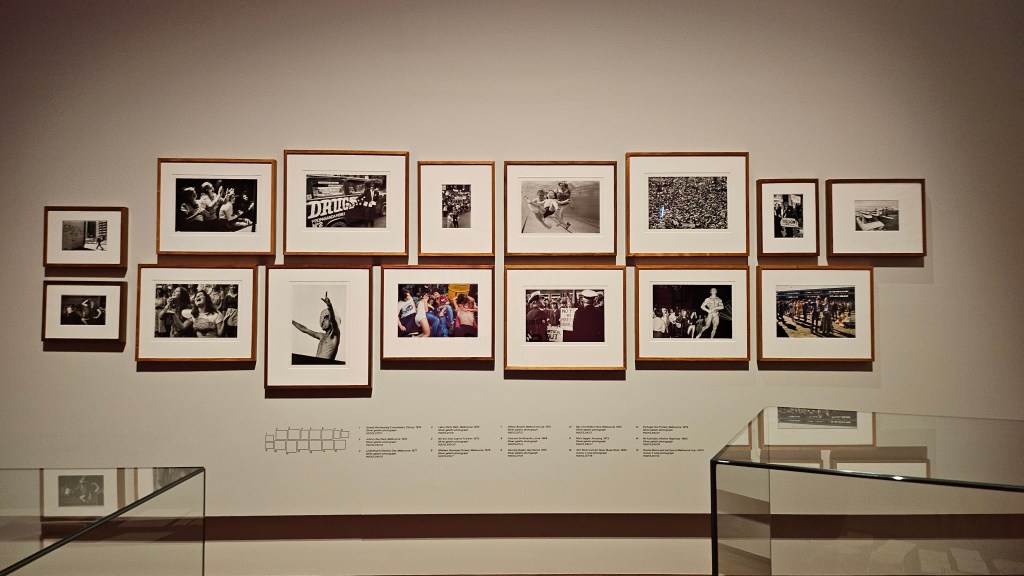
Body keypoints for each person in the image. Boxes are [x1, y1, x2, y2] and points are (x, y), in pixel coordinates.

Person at [291, 292, 341, 363]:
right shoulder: (321, 336)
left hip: (327, 365)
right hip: (317, 363)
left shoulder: (335, 335)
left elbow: (332, 319)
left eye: (326, 319)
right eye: (323, 319)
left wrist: (329, 306)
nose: (323, 321)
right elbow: (305, 329)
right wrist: (291, 321)